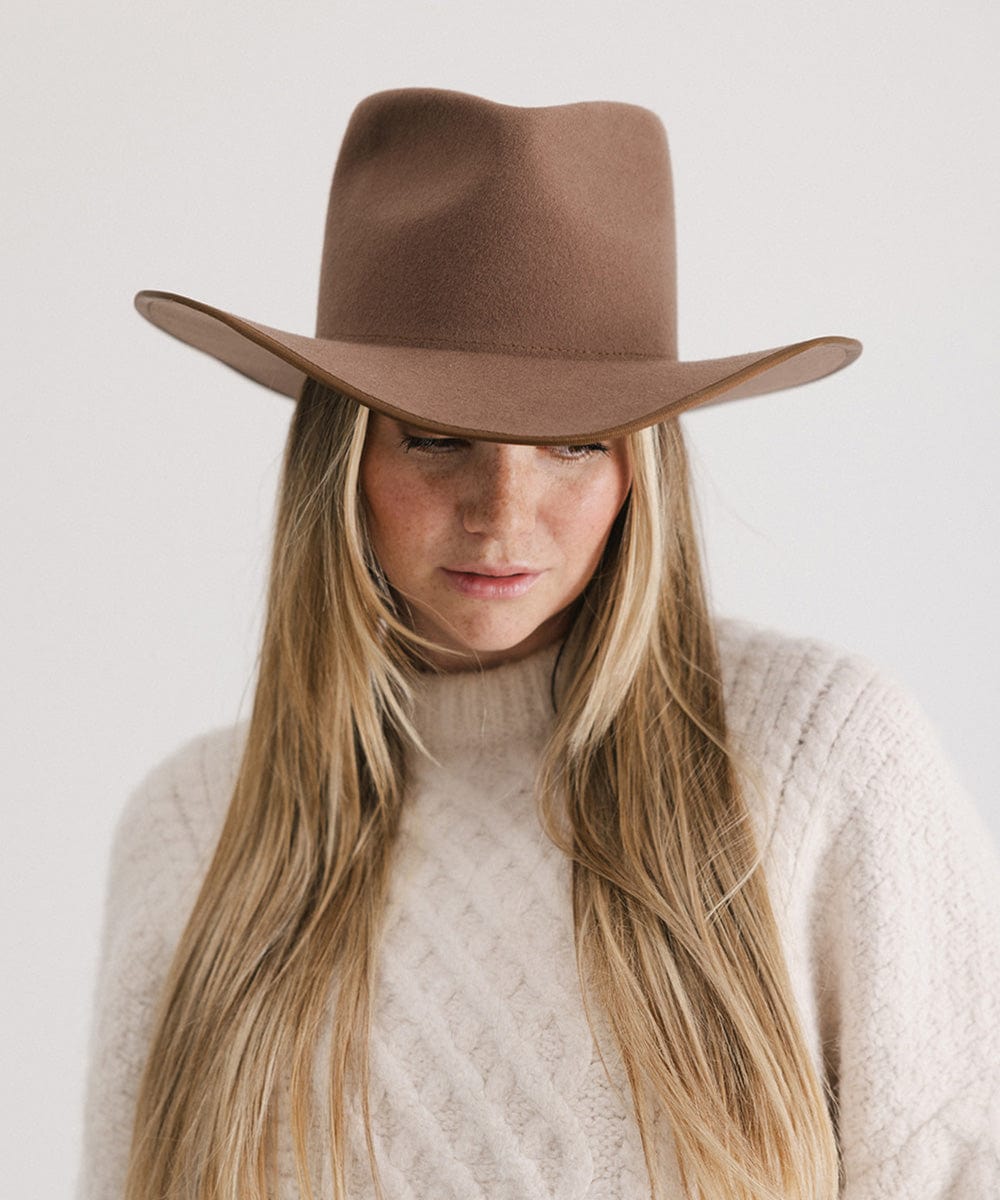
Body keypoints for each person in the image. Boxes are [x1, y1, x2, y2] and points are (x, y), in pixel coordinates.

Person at [77, 88, 1000, 1200]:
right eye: (434, 436)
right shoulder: (191, 828)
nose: (501, 511)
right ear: (339, 460)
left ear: (639, 470)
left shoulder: (820, 757)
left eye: (568, 444)